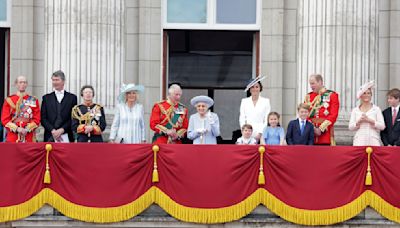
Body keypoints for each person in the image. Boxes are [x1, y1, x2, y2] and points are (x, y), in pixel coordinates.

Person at [41, 70, 78, 142]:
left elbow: (73, 118)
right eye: (53, 80)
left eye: (57, 80)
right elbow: (43, 118)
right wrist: (53, 130)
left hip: (67, 135)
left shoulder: (72, 98)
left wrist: (62, 130)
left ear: (63, 81)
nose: (55, 82)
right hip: (50, 135)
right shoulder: (46, 98)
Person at [1, 76, 40, 142]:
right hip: (13, 136)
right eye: (20, 82)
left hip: (28, 136)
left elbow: (37, 119)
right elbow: (4, 119)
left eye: (24, 82)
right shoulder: (9, 100)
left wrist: (27, 129)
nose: (22, 84)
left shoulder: (33, 100)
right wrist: (17, 129)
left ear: (27, 84)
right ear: (16, 84)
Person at [304, 74, 339, 145]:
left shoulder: (332, 95)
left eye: (313, 83)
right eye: (310, 84)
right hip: (311, 135)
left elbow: (333, 115)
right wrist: (313, 128)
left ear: (320, 82)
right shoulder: (308, 96)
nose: (311, 86)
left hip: (325, 134)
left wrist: (321, 129)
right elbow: (304, 114)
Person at [349, 81, 385, 146]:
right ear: (361, 95)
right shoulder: (355, 110)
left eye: (368, 93)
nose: (366, 95)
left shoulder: (376, 109)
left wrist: (369, 120)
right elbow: (350, 127)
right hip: (359, 140)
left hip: (373, 140)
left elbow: (382, 126)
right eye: (364, 93)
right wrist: (359, 121)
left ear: (371, 95)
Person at [239, 76, 271, 141]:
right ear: (249, 89)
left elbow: (266, 119)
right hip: (247, 133)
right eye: (252, 87)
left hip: (261, 133)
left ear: (260, 88)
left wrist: (260, 133)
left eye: (257, 87)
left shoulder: (266, 101)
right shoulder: (244, 101)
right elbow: (242, 118)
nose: (255, 89)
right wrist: (245, 131)